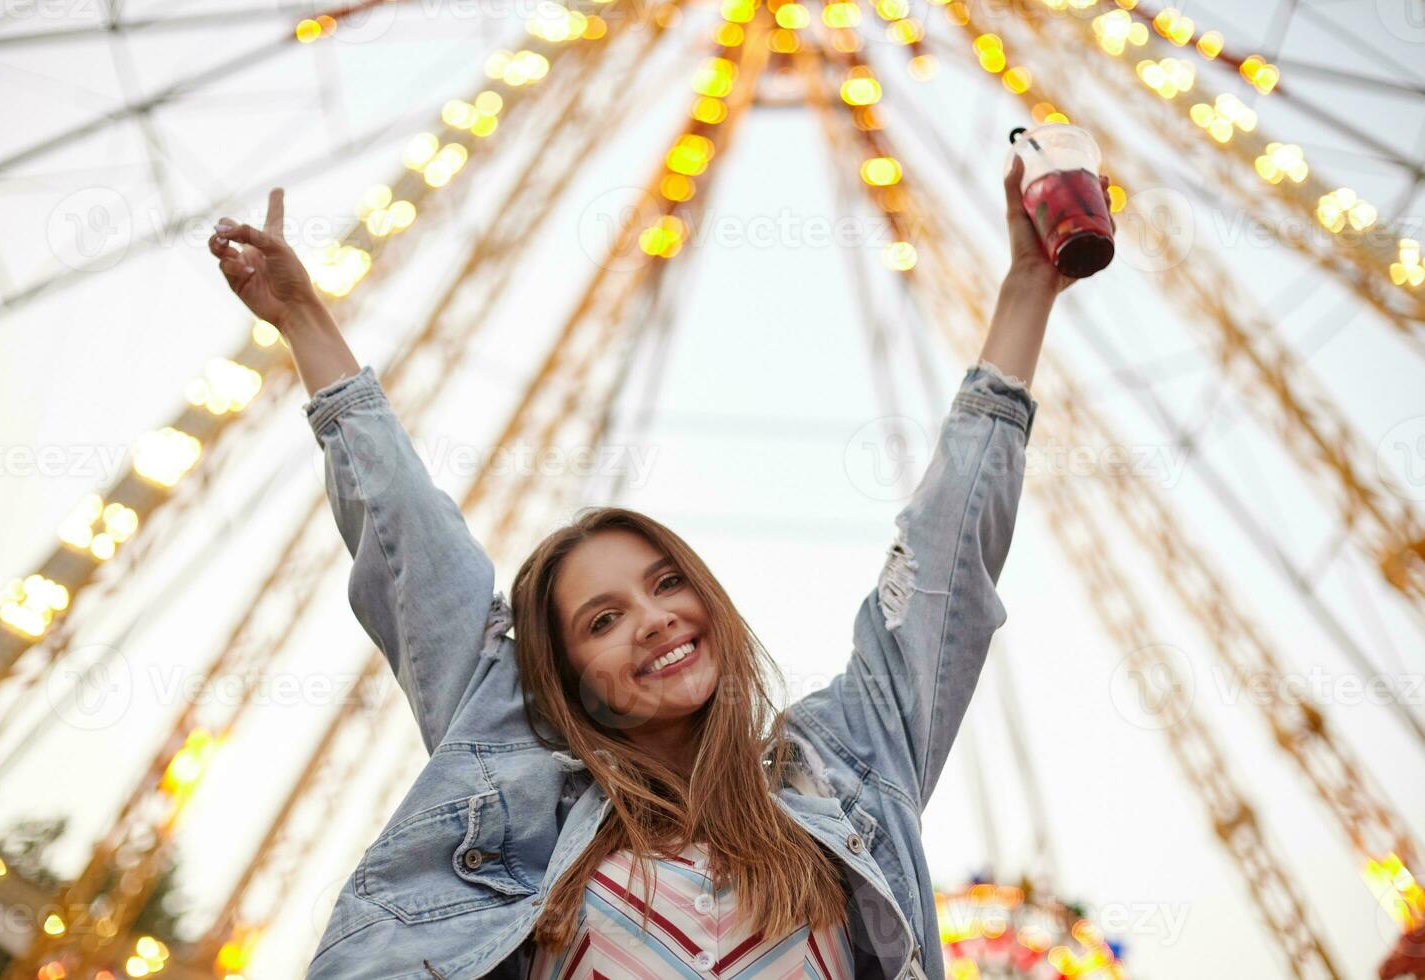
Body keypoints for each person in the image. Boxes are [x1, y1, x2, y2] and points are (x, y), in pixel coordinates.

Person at [208, 157, 1109, 979]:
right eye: (602, 621)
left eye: (668, 582)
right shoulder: (519, 796)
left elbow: (947, 561)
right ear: (563, 681)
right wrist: (305, 323)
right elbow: (413, 549)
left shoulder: (846, 774)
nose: (654, 618)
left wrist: (1029, 288)